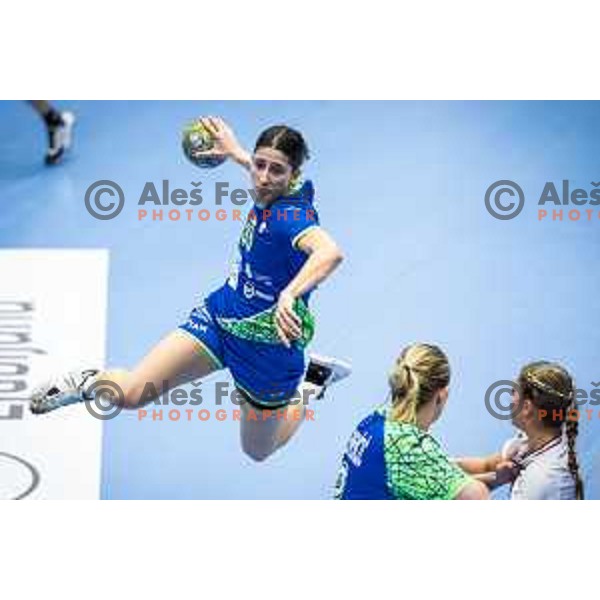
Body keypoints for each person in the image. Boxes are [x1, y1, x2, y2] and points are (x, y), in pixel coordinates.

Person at [31, 117, 350, 462]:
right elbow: (263, 171)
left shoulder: (291, 216)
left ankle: (311, 382)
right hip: (219, 321)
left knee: (259, 450)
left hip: (269, 350)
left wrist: (289, 294)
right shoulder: (275, 185)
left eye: (276, 171)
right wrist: (235, 153)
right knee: (135, 393)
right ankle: (84, 382)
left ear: (292, 175)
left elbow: (330, 252)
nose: (262, 178)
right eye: (259, 164)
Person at [334, 343, 488, 499]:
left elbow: (430, 470)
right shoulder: (406, 444)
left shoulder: (373, 422)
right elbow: (475, 495)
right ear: (442, 396)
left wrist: (492, 471)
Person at [457, 361, 584, 499]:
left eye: (513, 393)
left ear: (527, 408)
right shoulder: (530, 441)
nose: (509, 399)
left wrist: (493, 481)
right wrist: (435, 463)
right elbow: (486, 465)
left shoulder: (541, 480)